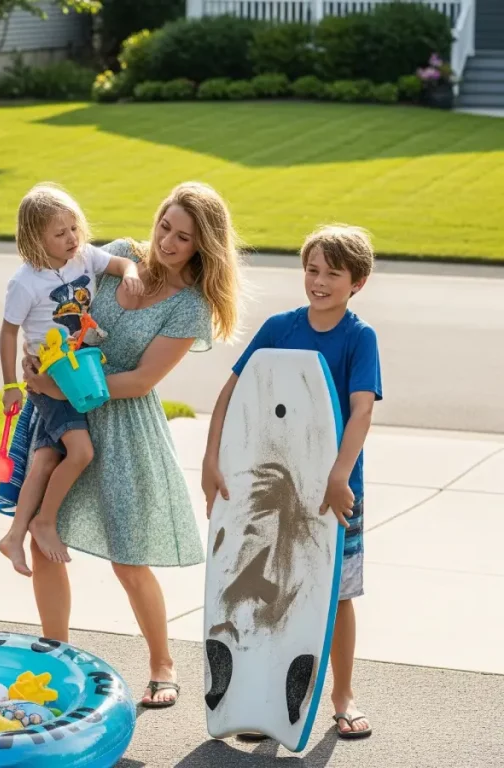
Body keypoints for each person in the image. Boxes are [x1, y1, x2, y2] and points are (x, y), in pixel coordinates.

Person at [19, 181, 244, 708]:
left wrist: (63, 386)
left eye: (183, 237)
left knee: (128, 556)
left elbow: (142, 380)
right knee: (43, 535)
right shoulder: (118, 256)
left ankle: (162, 663)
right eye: (165, 226)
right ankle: (55, 658)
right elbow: (59, 305)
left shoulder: (190, 308)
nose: (167, 242)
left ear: (202, 245)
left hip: (122, 427)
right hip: (62, 414)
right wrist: (38, 359)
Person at [201, 223, 381, 739]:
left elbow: (361, 411)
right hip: (268, 492)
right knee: (266, 588)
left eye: (332, 273)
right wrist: (212, 459)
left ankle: (342, 697)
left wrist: (339, 476)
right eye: (312, 269)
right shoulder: (280, 327)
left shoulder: (357, 337)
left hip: (332, 494)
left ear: (357, 283)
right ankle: (262, 694)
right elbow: (232, 392)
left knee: (334, 596)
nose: (319, 281)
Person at [0, 183, 145, 576]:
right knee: (80, 453)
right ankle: (44, 522)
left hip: (79, 372)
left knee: (46, 458)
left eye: (74, 229)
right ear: (35, 238)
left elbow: (118, 265)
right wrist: (11, 385)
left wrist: (130, 271)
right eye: (59, 234)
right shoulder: (25, 283)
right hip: (49, 377)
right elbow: (8, 331)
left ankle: (14, 535)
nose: (71, 238)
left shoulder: (83, 257)